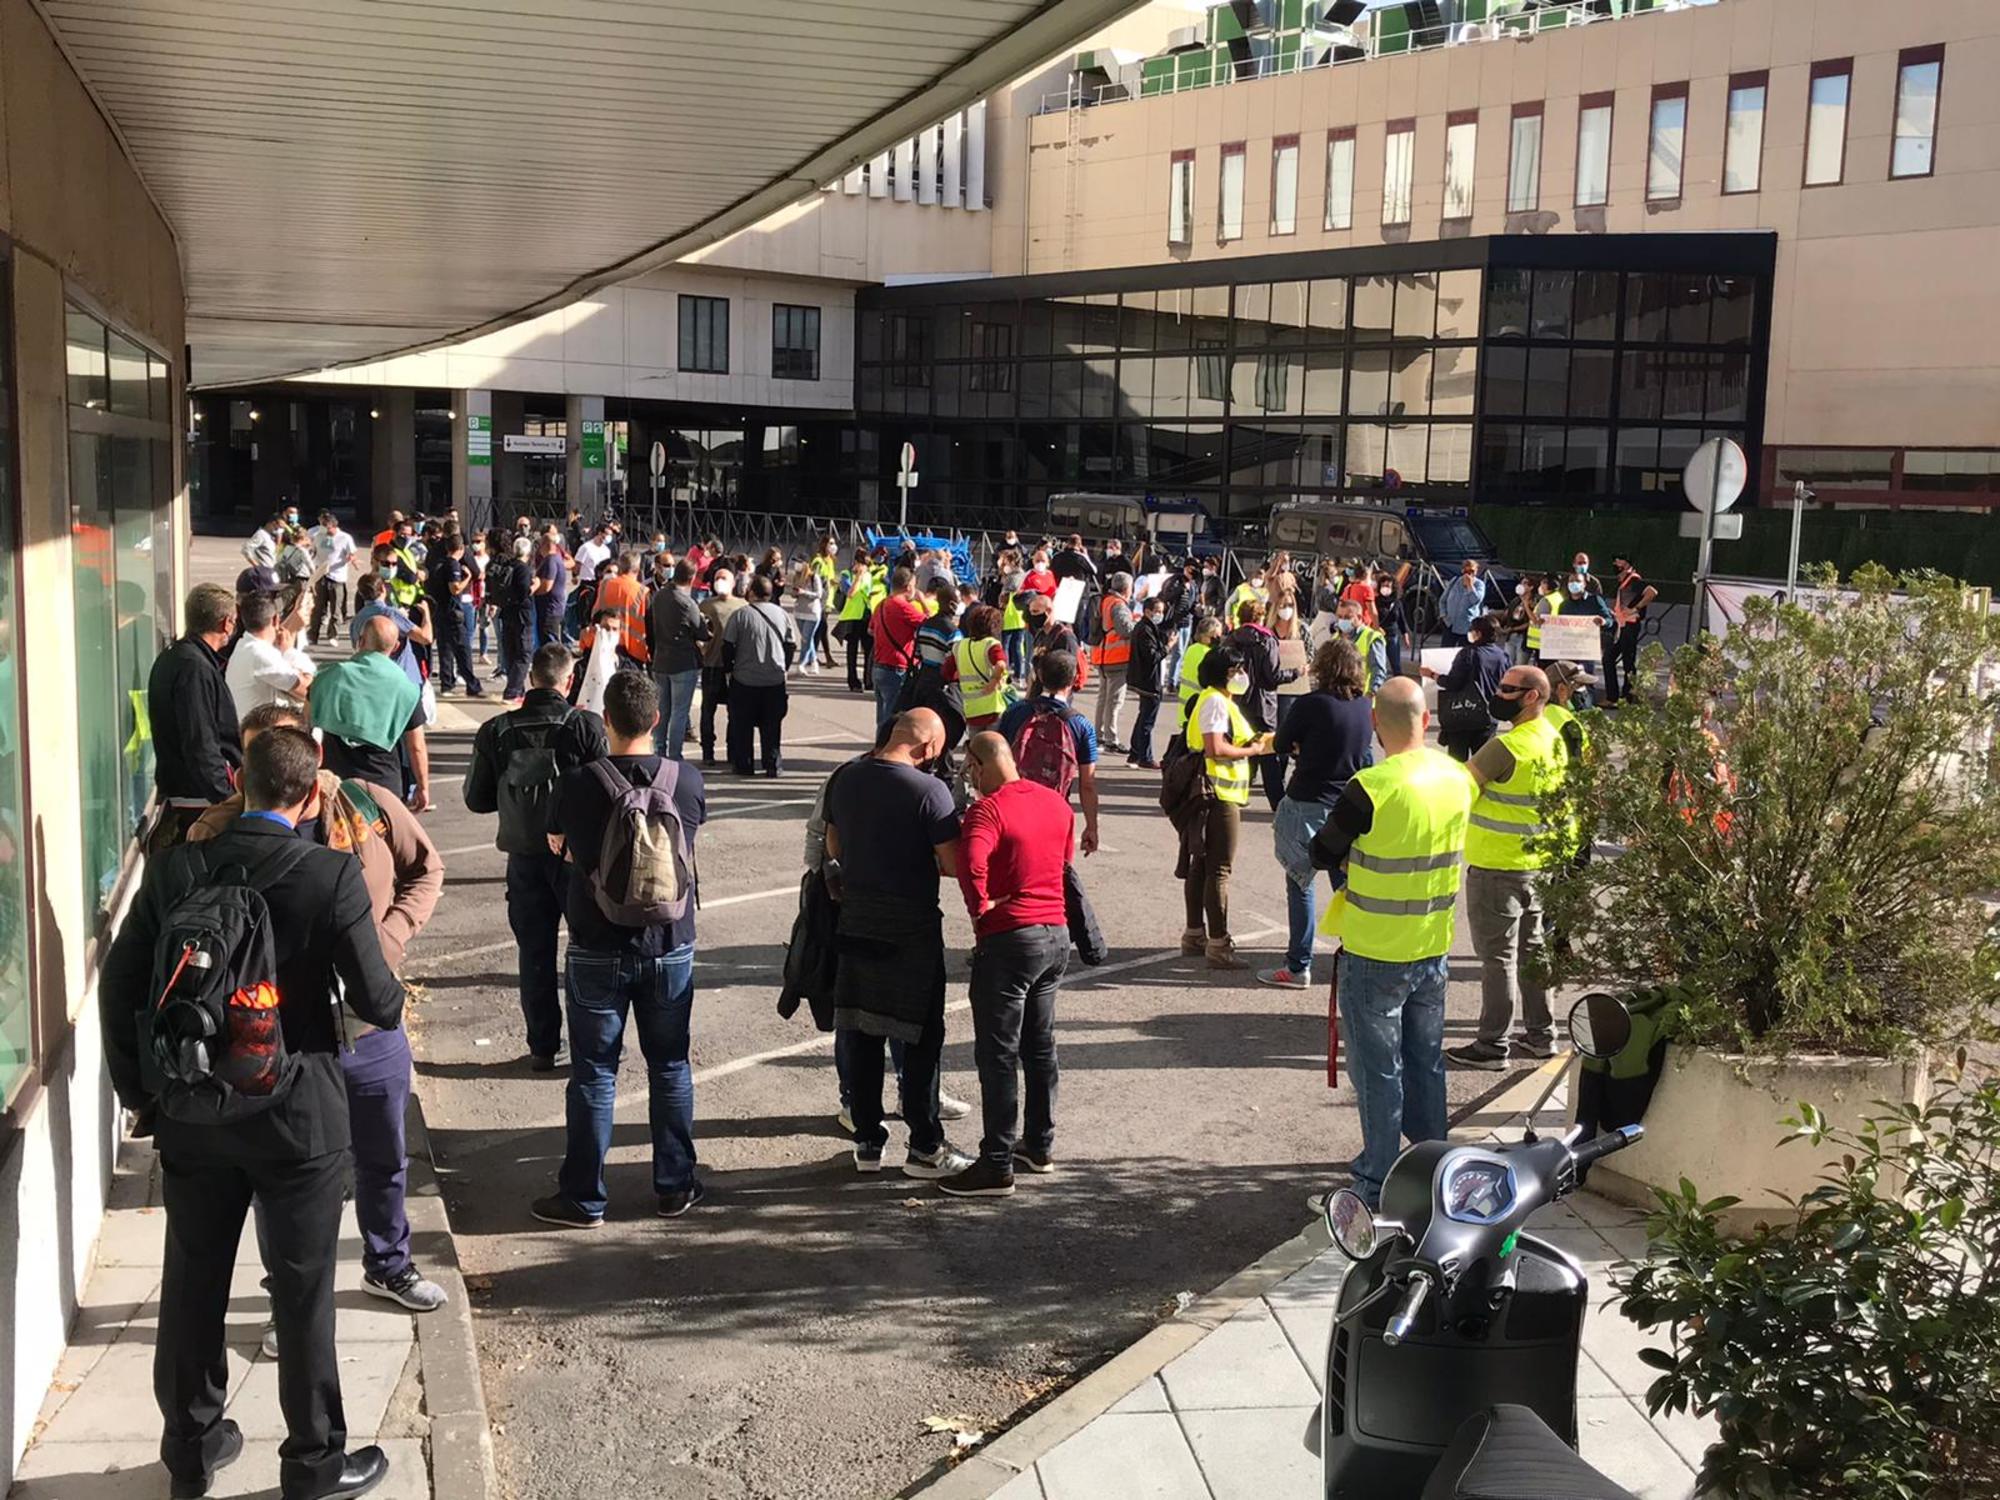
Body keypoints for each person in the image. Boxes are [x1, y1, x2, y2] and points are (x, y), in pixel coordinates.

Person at [98, 727, 404, 1500]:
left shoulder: (175, 868)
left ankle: (192, 1450)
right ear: (310, 793)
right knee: (302, 1291)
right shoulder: (328, 875)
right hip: (298, 1117)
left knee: (192, 1279)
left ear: (240, 784)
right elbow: (378, 1000)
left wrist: (143, 1094)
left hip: (195, 1112)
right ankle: (312, 1463)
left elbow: (119, 985)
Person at [190, 703, 447, 1334]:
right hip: (282, 1038)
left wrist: (389, 939)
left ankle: (387, 1262)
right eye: (258, 761)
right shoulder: (213, 839)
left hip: (366, 1023)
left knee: (384, 1150)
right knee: (288, 1176)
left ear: (311, 761)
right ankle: (290, 1295)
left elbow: (426, 870)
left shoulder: (365, 808)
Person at [533, 672, 707, 1227]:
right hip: (669, 943)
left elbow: (558, 845)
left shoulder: (579, 784)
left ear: (605, 720)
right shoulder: (687, 781)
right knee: (671, 1066)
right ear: (656, 720)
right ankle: (674, 1185)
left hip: (595, 943)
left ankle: (584, 1197)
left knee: (594, 1074)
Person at [1308, 676, 1468, 1209]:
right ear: (1428, 720)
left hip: (1376, 951)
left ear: (1375, 725)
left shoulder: (1371, 786)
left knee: (1378, 1071)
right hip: (1433, 945)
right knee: (1425, 1061)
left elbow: (1323, 853)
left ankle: (1376, 1181)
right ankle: (1433, 1166)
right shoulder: (1455, 777)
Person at [825, 711, 972, 1179]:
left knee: (861, 1031)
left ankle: (868, 1141)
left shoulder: (845, 777)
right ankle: (925, 1145)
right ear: (927, 747)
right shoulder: (930, 791)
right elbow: (950, 864)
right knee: (921, 1037)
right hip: (911, 927)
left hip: (857, 918)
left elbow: (833, 845)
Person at [938, 732, 1075, 1198]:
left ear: (978, 766)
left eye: (968, 770)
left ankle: (996, 1161)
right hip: (1055, 935)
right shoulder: (1055, 802)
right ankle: (1039, 1143)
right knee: (1040, 1046)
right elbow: (1064, 861)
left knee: (997, 1054)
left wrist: (981, 908)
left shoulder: (987, 810)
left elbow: (970, 864)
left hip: (1010, 939)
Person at [464, 644, 608, 1070]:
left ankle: (543, 1046)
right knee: (586, 948)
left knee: (534, 952)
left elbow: (476, 799)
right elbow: (605, 791)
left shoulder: (497, 730)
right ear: (568, 681)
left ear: (531, 679)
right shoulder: (584, 726)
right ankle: (591, 1043)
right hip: (574, 856)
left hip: (523, 855)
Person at [1447, 664, 1566, 1070]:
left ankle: (1492, 1044)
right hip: (1540, 864)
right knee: (1534, 950)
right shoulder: (1554, 739)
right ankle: (1541, 1035)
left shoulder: (1507, 747)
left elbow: (1460, 788)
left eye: (1508, 689)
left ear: (1532, 696)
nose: (1499, 693)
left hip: (1497, 865)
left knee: (1497, 957)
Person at [1259, 637, 1375, 991]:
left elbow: (1279, 744)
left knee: (1301, 881)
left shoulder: (1312, 704)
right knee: (1345, 884)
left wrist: (1298, 747)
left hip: (1308, 798)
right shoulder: (1363, 706)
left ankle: (1298, 965)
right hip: (1347, 803)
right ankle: (1355, 956)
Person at [1178, 644, 1271, 970]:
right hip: (1218, 794)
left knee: (1202, 865)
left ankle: (1195, 934)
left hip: (1211, 793)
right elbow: (1215, 748)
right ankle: (1218, 942)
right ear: (1224, 674)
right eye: (1237, 670)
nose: (1243, 676)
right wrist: (1253, 751)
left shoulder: (1214, 700)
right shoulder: (1216, 702)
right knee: (1218, 869)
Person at [148, 583, 244, 850]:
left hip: (189, 795)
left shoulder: (176, 658)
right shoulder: (194, 669)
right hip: (197, 801)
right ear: (226, 623)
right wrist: (225, 802)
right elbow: (200, 741)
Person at [313, 617, 431, 812]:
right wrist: (423, 786)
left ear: (360, 642)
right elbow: (416, 746)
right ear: (396, 647)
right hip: (383, 784)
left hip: (336, 783)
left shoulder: (329, 676)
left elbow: (306, 725)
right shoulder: (406, 688)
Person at [997, 650, 1102, 857]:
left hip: (1014, 808)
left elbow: (997, 760)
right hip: (1055, 812)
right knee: (1052, 873)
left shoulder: (1015, 712)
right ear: (1073, 680)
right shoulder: (1081, 725)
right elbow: (1088, 783)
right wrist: (1092, 827)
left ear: (1041, 676)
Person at [721, 573, 798, 776]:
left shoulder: (741, 615)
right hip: (774, 679)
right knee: (772, 727)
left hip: (745, 679)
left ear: (751, 592)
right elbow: (791, 644)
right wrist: (784, 667)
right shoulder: (782, 615)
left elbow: (727, 646)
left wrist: (729, 670)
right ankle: (773, 764)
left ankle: (744, 765)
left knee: (742, 726)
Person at [1225, 597, 1297, 810]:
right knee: (1268, 756)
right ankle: (1277, 802)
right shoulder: (1268, 640)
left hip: (1238, 702)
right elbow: (1273, 676)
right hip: (1264, 704)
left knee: (1240, 749)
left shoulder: (1231, 639)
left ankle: (1237, 794)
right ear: (1261, 616)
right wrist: (1296, 673)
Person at [1422, 613, 1509, 763]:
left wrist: (1432, 675)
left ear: (1478, 634)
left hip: (1463, 715)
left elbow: (1452, 683)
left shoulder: (1468, 654)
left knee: (1457, 763)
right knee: (1483, 764)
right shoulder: (1503, 656)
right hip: (1489, 717)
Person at [646, 559, 707, 760]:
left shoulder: (659, 596)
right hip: (682, 662)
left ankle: (659, 751)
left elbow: (650, 626)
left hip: (661, 660)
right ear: (691, 578)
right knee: (679, 712)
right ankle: (674, 756)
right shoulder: (687, 603)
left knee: (662, 710)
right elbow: (701, 632)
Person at [224, 591, 314, 720]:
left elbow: (279, 639)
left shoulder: (246, 645)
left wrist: (296, 616)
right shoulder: (260, 654)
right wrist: (290, 652)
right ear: (276, 619)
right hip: (264, 734)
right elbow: (309, 691)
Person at [694, 567, 744, 766]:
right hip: (711, 665)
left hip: (734, 668)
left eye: (724, 578)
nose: (720, 581)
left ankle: (733, 750)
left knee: (735, 711)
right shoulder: (705, 605)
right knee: (708, 710)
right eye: (717, 578)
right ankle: (708, 751)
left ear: (733, 583)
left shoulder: (742, 606)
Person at [1125, 591, 1180, 769]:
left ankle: (1135, 753)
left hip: (1145, 679)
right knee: (1147, 721)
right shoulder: (1144, 629)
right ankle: (1145, 757)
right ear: (1147, 611)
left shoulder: (1147, 628)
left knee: (1143, 718)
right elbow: (1152, 655)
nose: (1159, 615)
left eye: (1161, 611)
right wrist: (1168, 647)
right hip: (1148, 681)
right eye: (1156, 611)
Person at [424, 530, 482, 696]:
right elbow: (455, 588)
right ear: (461, 548)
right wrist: (468, 577)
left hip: (440, 610)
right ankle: (472, 684)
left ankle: (447, 684)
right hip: (452, 611)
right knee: (463, 649)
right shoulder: (453, 564)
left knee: (445, 648)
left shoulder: (440, 563)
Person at [869, 565, 926, 729]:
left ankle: (879, 747)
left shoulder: (881, 604)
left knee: (882, 718)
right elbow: (929, 624)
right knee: (893, 719)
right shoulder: (904, 607)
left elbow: (871, 629)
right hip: (896, 667)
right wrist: (922, 602)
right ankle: (886, 750)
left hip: (879, 665)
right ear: (908, 587)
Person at [1603, 555, 1657, 706]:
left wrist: (1636, 608)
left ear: (1626, 564)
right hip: (1622, 625)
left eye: (1618, 560)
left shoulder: (1634, 580)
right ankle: (1613, 697)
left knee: (1627, 662)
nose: (1615, 563)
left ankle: (1627, 697)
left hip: (1631, 626)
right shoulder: (1624, 582)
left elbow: (1652, 592)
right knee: (1609, 659)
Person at [1091, 572, 1135, 755]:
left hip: (1102, 655)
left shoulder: (1105, 600)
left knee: (1103, 699)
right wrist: (1138, 624)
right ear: (1127, 588)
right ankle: (1111, 738)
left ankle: (1099, 734)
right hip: (1116, 657)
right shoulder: (1119, 605)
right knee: (1114, 701)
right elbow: (1125, 629)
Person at [952, 605, 1011, 733]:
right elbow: (1001, 664)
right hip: (993, 707)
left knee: (976, 747)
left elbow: (947, 672)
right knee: (993, 746)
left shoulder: (959, 646)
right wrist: (994, 681)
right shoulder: (991, 645)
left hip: (972, 709)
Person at [594, 550, 651, 674]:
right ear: (638, 569)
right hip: (633, 649)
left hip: (607, 642)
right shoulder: (643, 591)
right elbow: (649, 623)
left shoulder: (604, 585)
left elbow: (594, 614)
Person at [307, 513, 356, 644]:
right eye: (322, 525)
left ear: (333, 526)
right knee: (317, 608)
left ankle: (333, 635)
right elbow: (313, 552)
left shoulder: (345, 538)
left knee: (336, 610)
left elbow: (351, 553)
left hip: (337, 576)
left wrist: (351, 559)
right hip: (320, 575)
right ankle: (313, 635)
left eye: (326, 526)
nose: (323, 529)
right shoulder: (318, 537)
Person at [1329, 596, 1388, 696]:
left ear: (1359, 617)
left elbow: (1378, 672)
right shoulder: (1335, 638)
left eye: (1347, 617)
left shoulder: (1371, 638)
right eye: (1340, 617)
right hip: (1337, 697)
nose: (1342, 621)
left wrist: (1371, 693)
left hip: (1362, 697)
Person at [1176, 614, 1223, 730]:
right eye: (1214, 636)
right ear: (1204, 636)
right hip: (1199, 710)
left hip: (1186, 709)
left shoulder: (1192, 649)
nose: (1217, 639)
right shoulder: (1207, 654)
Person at [1437, 559, 1492, 648]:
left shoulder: (1479, 585)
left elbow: (1476, 600)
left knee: (1465, 653)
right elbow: (1443, 600)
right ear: (1462, 571)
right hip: (1450, 624)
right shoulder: (1454, 581)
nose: (1469, 574)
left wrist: (1470, 586)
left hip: (1467, 627)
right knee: (1446, 651)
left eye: (1472, 571)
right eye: (1466, 571)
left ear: (1476, 571)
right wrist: (1443, 615)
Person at [531, 528, 568, 647]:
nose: (539, 548)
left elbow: (547, 585)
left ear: (547, 545)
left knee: (549, 643)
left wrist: (533, 592)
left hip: (549, 609)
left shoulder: (550, 560)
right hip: (554, 607)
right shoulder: (557, 558)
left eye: (540, 545)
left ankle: (554, 665)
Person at [789, 553, 824, 675]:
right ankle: (814, 661)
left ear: (806, 564)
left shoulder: (814, 577)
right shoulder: (796, 577)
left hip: (812, 612)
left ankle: (801, 663)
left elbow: (818, 594)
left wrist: (803, 592)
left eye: (799, 562)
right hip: (799, 611)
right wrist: (795, 593)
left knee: (805, 639)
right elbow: (792, 594)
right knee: (807, 639)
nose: (796, 565)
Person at [1375, 569, 1410, 680]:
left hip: (1392, 636)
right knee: (1379, 665)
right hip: (1379, 636)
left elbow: (1401, 619)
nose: (1385, 588)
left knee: (1396, 666)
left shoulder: (1397, 602)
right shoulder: (1375, 601)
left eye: (1388, 586)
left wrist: (1405, 634)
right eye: (1383, 585)